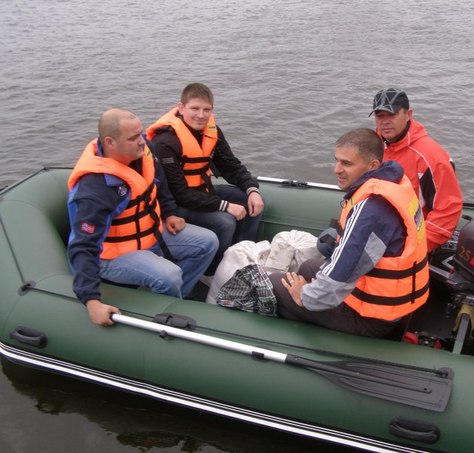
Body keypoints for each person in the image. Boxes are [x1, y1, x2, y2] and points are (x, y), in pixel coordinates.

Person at [269, 128, 430, 338]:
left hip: (372, 318)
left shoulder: (370, 210)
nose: (336, 169)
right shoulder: (396, 183)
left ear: (373, 166)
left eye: (346, 163)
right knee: (309, 267)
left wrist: (304, 296)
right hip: (394, 302)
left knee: (275, 284)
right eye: (336, 161)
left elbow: (339, 276)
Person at [67, 109, 219, 326]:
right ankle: (163, 318)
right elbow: (83, 246)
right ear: (110, 142)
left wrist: (169, 213)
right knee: (169, 275)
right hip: (111, 255)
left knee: (208, 242)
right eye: (133, 138)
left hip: (149, 234)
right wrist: (91, 301)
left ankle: (173, 301)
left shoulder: (145, 151)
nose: (142, 141)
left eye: (140, 133)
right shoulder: (95, 189)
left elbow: (160, 184)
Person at [147, 83, 264, 274]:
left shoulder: (212, 131)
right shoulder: (165, 142)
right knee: (225, 222)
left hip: (203, 191)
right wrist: (225, 206)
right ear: (181, 107)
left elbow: (230, 165)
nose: (201, 115)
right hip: (176, 203)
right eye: (195, 108)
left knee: (253, 202)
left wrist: (252, 189)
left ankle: (240, 259)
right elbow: (179, 193)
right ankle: (211, 272)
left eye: (206, 109)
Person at [370, 88, 463, 253]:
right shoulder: (371, 146)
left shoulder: (431, 156)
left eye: (391, 115)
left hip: (408, 242)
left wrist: (412, 248)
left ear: (408, 114)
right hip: (375, 230)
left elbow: (448, 210)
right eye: (379, 116)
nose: (385, 121)